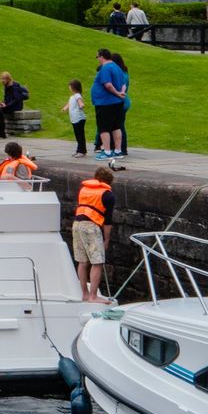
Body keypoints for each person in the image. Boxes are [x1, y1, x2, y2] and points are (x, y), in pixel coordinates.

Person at [73, 167, 115, 303]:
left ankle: (84, 294)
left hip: (77, 225)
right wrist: (107, 239)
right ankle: (93, 296)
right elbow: (107, 221)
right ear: (109, 181)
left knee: (82, 261)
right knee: (97, 262)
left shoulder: (84, 189)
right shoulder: (108, 195)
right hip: (91, 227)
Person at [93, 48, 130, 160]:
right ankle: (118, 151)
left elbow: (108, 85)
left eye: (97, 57)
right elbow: (124, 82)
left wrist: (117, 93)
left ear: (102, 56)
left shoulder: (106, 67)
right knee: (116, 126)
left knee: (104, 128)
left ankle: (108, 152)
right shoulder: (117, 67)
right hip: (117, 103)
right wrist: (122, 93)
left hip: (105, 102)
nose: (98, 59)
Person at [64, 78, 88, 156]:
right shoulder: (72, 96)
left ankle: (82, 151)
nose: (69, 87)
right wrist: (65, 108)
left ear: (73, 87)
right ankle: (79, 150)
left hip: (79, 119)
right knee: (78, 135)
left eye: (70, 86)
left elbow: (80, 102)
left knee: (80, 135)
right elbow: (69, 104)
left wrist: (81, 105)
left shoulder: (77, 95)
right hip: (74, 119)